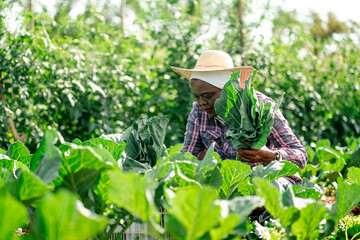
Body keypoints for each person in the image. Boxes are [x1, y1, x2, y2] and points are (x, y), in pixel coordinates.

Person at [171, 50, 308, 190]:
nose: (202, 102)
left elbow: (301, 156)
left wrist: (270, 156)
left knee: (268, 191)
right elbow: (186, 158)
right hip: (228, 187)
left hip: (268, 182)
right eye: (197, 97)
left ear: (228, 89)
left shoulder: (262, 107)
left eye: (207, 96)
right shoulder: (199, 111)